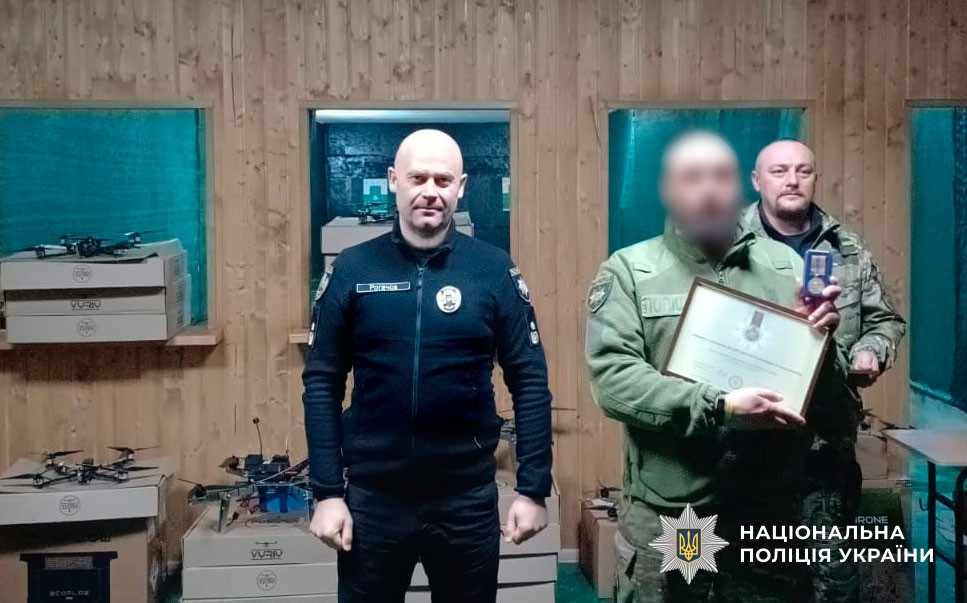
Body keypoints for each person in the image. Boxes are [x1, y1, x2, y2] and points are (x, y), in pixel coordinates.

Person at [585, 130, 855, 603]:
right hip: (678, 511)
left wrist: (823, 345)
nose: (708, 191)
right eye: (691, 178)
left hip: (767, 508)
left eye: (721, 178)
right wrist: (719, 406)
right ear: (669, 191)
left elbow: (832, 398)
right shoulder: (630, 270)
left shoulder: (786, 266)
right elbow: (614, 381)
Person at [302, 129, 553, 603]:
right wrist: (327, 492)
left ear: (461, 187)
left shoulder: (493, 271)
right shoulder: (352, 269)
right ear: (394, 180)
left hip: (465, 502)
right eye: (418, 178)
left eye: (443, 180)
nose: (430, 191)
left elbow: (530, 380)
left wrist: (533, 488)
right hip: (374, 502)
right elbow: (321, 382)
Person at [744, 139, 907, 603]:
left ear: (815, 178)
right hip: (744, 450)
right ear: (757, 181)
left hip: (825, 448)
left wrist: (871, 351)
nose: (792, 180)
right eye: (779, 171)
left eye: (803, 170)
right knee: (749, 582)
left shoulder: (847, 248)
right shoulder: (726, 245)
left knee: (833, 582)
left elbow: (885, 321)